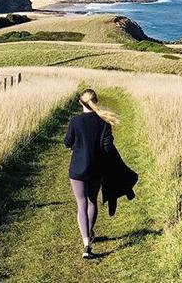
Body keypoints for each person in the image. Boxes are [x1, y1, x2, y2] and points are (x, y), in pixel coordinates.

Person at [64, 89, 119, 259]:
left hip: (78, 169)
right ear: (96, 101)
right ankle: (90, 233)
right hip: (97, 169)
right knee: (91, 201)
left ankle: (86, 243)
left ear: (81, 103)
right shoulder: (104, 123)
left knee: (81, 203)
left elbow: (67, 142)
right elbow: (108, 147)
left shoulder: (75, 121)